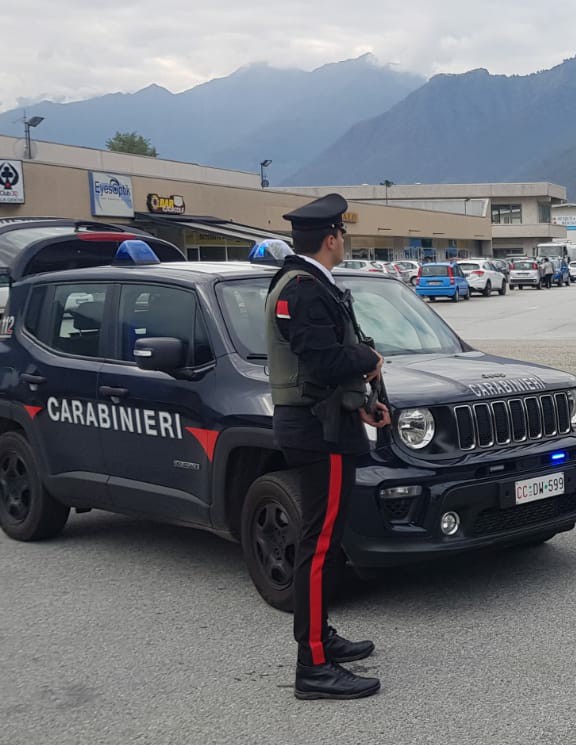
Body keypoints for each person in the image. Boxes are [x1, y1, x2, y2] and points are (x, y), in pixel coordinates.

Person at [265, 193, 392, 700]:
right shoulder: (302, 288)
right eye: (344, 234)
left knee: (325, 541)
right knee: (317, 547)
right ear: (332, 238)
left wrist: (362, 401)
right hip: (317, 432)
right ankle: (313, 665)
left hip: (328, 422)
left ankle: (322, 638)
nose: (346, 240)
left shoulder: (311, 284)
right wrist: (368, 356)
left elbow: (321, 367)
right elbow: (321, 359)